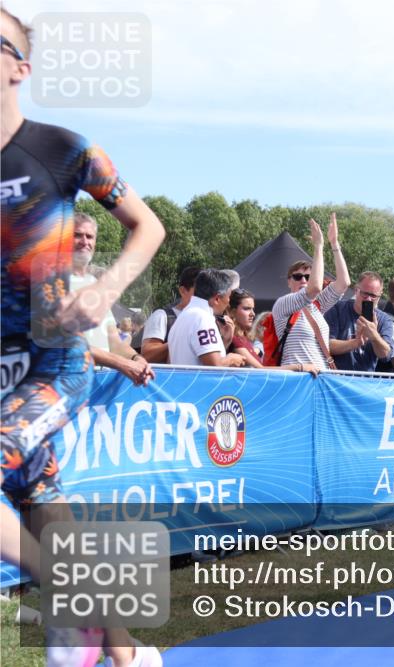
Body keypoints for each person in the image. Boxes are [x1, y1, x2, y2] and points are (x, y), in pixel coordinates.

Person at [1, 9, 165, 666]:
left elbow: (146, 225)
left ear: (20, 67)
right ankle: (128, 655)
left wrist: (104, 291)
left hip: (54, 361)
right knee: (46, 508)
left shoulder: (62, 148)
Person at [69, 213, 154, 386]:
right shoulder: (48, 282)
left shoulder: (94, 284)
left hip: (95, 394)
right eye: (77, 235)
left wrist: (137, 358)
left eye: (90, 236)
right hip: (60, 392)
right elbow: (67, 346)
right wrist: (122, 364)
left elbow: (114, 343)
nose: (85, 241)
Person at [272, 214, 349, 370]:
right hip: (297, 379)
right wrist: (318, 246)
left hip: (320, 378)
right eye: (297, 276)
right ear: (289, 281)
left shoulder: (316, 306)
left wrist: (334, 244)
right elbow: (314, 288)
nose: (303, 280)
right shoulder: (283, 302)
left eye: (308, 276)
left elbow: (344, 283)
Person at [227, 289, 318, 374]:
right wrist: (300, 367)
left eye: (253, 309)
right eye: (246, 308)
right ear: (232, 311)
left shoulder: (243, 338)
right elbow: (261, 370)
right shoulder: (234, 338)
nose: (252, 314)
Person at [167, 270, 245, 367]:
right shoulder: (202, 319)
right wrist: (232, 359)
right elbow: (215, 366)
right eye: (229, 297)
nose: (229, 303)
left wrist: (225, 341)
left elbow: (202, 357)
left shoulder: (184, 316)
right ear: (217, 299)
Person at [326, 272, 394, 372]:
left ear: (380, 295)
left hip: (365, 382)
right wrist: (356, 342)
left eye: (373, 296)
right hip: (336, 378)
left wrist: (374, 336)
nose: (368, 299)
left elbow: (386, 356)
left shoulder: (384, 319)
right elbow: (327, 346)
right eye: (365, 294)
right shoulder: (337, 309)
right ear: (356, 290)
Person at [139, 265, 200, 363]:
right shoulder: (162, 316)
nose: (203, 297)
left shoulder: (209, 319)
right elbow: (147, 355)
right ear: (183, 291)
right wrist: (178, 341)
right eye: (198, 292)